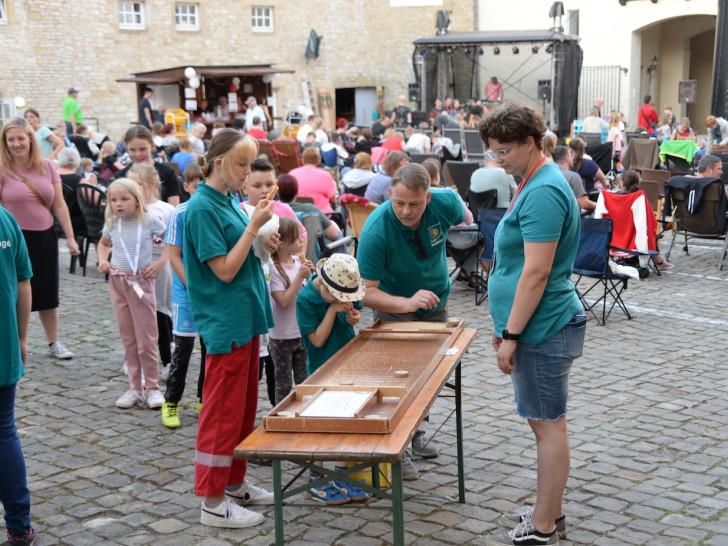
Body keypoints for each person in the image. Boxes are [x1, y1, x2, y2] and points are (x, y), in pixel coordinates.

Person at [478, 102, 586, 546]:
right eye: (491, 152)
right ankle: (549, 511)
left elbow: (536, 272)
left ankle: (544, 526)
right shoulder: (531, 181)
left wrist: (512, 334)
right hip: (537, 325)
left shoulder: (542, 189)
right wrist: (505, 323)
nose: (497, 160)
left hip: (543, 327)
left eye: (503, 152)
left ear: (529, 142)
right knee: (544, 422)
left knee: (547, 424)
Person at [183, 129, 277, 528]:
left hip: (244, 319)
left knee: (241, 412)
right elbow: (222, 270)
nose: (247, 172)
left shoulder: (227, 200)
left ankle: (234, 484)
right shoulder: (203, 207)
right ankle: (212, 501)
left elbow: (241, 253)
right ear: (219, 162)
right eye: (242, 164)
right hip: (227, 322)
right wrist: (254, 228)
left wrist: (261, 241)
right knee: (222, 414)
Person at [357, 163, 465, 479]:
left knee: (429, 376)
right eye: (399, 202)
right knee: (397, 379)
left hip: (436, 301)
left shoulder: (446, 204)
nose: (406, 211)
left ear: (428, 198)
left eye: (415, 204)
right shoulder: (376, 230)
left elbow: (463, 214)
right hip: (394, 305)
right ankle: (396, 448)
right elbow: (365, 291)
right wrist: (406, 302)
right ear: (389, 194)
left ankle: (415, 432)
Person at [0, 118, 80, 360]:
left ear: (30, 140)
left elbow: (59, 204)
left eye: (20, 138)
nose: (16, 144)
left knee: (47, 289)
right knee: (10, 289)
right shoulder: (2, 169)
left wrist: (71, 238)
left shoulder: (47, 166)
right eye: (10, 139)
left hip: (44, 235)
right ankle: (13, 340)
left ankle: (54, 341)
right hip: (12, 239)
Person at [296, 254, 368, 504]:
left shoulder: (342, 290)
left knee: (345, 420)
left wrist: (352, 318)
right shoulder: (306, 299)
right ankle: (315, 480)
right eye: (338, 298)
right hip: (321, 369)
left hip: (347, 364)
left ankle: (340, 474)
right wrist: (332, 310)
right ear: (324, 287)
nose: (343, 302)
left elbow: (354, 312)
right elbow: (316, 340)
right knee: (321, 425)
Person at [97, 179, 167, 409]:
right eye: (114, 200)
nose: (118, 204)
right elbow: (103, 244)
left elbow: (172, 242)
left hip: (140, 282)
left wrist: (160, 263)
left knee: (146, 339)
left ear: (137, 200)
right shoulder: (112, 223)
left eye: (124, 199)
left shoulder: (148, 222)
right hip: (118, 281)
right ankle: (135, 387)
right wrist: (102, 260)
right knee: (128, 337)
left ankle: (153, 388)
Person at [0, 205, 37, 546]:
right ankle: (19, 525)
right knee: (3, 432)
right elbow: (23, 282)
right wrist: (22, 336)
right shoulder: (5, 218)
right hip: (4, 344)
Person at [161, 164, 207, 428]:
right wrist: (193, 285)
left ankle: (203, 398)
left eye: (203, 182)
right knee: (184, 348)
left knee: (209, 348)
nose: (199, 188)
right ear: (186, 186)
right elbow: (173, 256)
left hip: (210, 295)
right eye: (194, 183)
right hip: (186, 294)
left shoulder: (213, 210)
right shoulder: (180, 213)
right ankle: (171, 402)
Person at [128, 163, 174, 381]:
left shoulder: (165, 210)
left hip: (159, 268)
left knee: (160, 312)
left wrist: (163, 264)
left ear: (151, 185)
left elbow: (173, 243)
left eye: (137, 184)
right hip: (134, 271)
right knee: (136, 313)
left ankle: (167, 359)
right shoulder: (127, 209)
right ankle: (135, 358)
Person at [269, 217, 314, 404]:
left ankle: (304, 415)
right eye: (297, 238)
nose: (302, 241)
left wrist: (312, 279)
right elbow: (284, 302)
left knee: (305, 381)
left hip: (301, 332)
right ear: (283, 242)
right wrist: (300, 278)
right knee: (283, 384)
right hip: (281, 337)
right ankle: (281, 416)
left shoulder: (297, 262)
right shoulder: (273, 269)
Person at [608, 169, 672, 269]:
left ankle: (658, 261)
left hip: (615, 238)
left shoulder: (612, 198)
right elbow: (650, 220)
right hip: (634, 239)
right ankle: (659, 261)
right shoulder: (639, 198)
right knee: (646, 229)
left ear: (622, 183)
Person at [115, 125, 180, 206]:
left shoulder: (167, 172)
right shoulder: (121, 176)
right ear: (127, 148)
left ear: (152, 146)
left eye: (142, 149)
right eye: (132, 150)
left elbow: (174, 208)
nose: (138, 154)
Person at [277, 173, 343, 242]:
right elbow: (334, 234)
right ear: (297, 192)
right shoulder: (310, 209)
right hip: (313, 251)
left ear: (278, 192)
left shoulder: (271, 211)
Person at [289, 148, 337, 213]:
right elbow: (333, 200)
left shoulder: (292, 174)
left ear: (302, 161)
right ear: (318, 162)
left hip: (298, 214)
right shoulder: (326, 175)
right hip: (323, 215)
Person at [551, 146, 596, 213]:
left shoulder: (549, 175)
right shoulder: (573, 177)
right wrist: (599, 205)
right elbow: (582, 203)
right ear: (567, 158)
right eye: (570, 156)